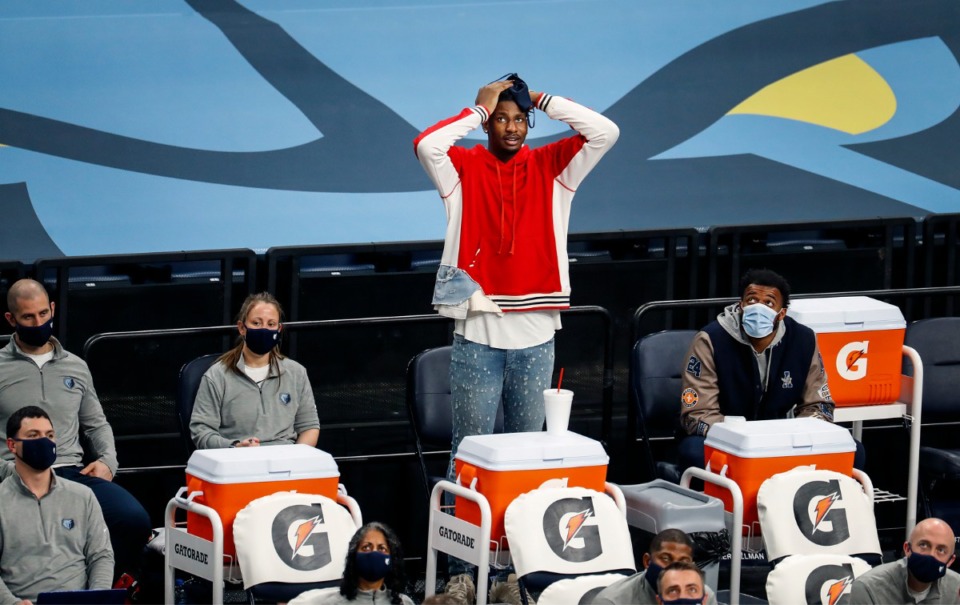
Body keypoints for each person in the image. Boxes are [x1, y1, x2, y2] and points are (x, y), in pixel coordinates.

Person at [414, 75, 619, 599]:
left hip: (535, 328)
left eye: (520, 119)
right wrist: (475, 112)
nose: (511, 127)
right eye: (502, 118)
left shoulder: (554, 166)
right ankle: (462, 573)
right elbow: (426, 144)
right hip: (478, 325)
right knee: (469, 456)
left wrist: (546, 100)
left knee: (529, 456)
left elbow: (605, 132)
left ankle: (512, 574)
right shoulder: (461, 168)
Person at [0, 278, 150, 581]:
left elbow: (96, 423)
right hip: (14, 473)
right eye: (28, 317)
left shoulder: (76, 366)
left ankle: (95, 589)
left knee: (134, 520)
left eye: (43, 314)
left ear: (53, 309)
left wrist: (108, 462)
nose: (38, 322)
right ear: (11, 319)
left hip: (71, 472)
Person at [677, 268, 865, 471]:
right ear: (740, 305)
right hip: (726, 440)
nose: (758, 308)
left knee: (855, 450)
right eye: (751, 300)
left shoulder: (803, 340)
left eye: (768, 302)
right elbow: (697, 414)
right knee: (693, 452)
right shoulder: (710, 339)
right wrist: (743, 439)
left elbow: (819, 405)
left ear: (781, 313)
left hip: (780, 439)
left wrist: (797, 437)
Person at [0, 405, 114, 603]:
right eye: (34, 435)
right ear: (12, 445)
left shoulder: (83, 496)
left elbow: (101, 556)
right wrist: (11, 603)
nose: (44, 441)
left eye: (50, 435)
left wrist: (98, 596)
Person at [189, 292, 320, 449]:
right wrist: (235, 447)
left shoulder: (297, 372)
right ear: (242, 328)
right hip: (236, 462)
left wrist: (294, 459)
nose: (264, 329)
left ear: (279, 329)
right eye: (256, 323)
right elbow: (201, 432)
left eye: (271, 324)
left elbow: (309, 427)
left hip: (286, 464)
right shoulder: (216, 375)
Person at [591, 529, 717, 605]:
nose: (674, 568)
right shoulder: (611, 601)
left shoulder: (704, 596)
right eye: (666, 559)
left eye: (683, 561)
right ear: (647, 561)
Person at [850, 517, 960, 604]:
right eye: (924, 545)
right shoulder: (868, 588)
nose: (931, 555)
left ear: (950, 561)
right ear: (907, 549)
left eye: (941, 550)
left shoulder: (957, 587)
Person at [301, 522, 412, 605]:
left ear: (391, 559)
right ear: (354, 556)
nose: (374, 553)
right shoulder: (323, 601)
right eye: (366, 547)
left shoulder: (405, 602)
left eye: (382, 548)